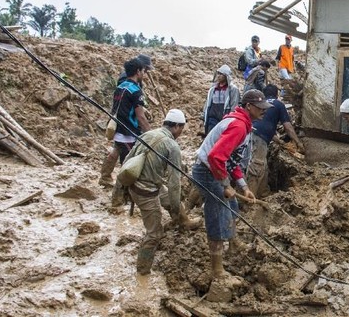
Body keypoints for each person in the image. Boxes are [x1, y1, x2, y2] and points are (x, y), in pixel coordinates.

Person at [191, 89, 270, 281]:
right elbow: (215, 157)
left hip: (215, 169)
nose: (263, 112)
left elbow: (231, 160)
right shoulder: (238, 126)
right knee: (218, 212)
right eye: (260, 108)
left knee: (233, 205)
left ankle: (233, 243)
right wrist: (225, 184)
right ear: (248, 106)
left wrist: (244, 187)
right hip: (208, 171)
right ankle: (216, 270)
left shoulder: (242, 123)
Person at [126, 109, 201, 275]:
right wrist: (174, 208)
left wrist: (121, 190)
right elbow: (175, 184)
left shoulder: (148, 134)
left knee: (166, 195)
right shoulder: (172, 146)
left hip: (139, 183)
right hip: (146, 190)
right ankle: (143, 271)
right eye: (181, 128)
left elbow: (127, 160)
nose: (181, 132)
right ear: (176, 126)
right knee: (154, 233)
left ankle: (184, 221)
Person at [99, 57, 151, 188]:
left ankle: (105, 177)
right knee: (128, 164)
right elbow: (140, 117)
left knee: (117, 150)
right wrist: (151, 135)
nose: (144, 74)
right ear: (138, 71)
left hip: (118, 127)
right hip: (129, 131)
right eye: (144, 71)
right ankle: (120, 194)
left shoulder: (120, 86)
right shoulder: (135, 90)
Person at [245, 84, 305, 197]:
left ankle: (263, 193)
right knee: (257, 166)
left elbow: (267, 127)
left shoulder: (261, 105)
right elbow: (288, 127)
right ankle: (248, 198)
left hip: (251, 133)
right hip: (259, 137)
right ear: (277, 94)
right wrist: (298, 143)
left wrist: (280, 142)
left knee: (263, 166)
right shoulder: (279, 104)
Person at [202, 64, 241, 136]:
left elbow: (234, 105)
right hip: (212, 118)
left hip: (224, 118)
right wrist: (204, 114)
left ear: (226, 76)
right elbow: (208, 103)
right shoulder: (213, 89)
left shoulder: (232, 90)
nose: (218, 76)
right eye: (218, 73)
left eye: (221, 74)